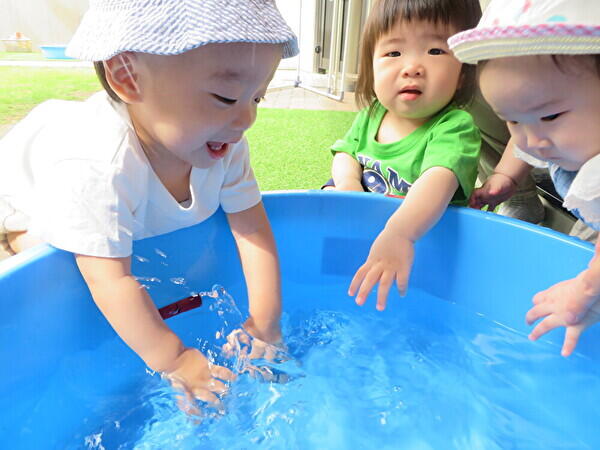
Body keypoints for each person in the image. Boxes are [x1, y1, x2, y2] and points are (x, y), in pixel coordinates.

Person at [0, 0, 298, 408]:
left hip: (103, 184)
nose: (247, 119)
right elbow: (110, 282)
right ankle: (18, 234)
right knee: (63, 258)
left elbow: (252, 228)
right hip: (22, 190)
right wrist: (174, 358)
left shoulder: (224, 142)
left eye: (257, 98)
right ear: (128, 78)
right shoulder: (97, 163)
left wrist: (265, 320)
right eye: (226, 97)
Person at [449, 0, 600, 356]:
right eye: (513, 120)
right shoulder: (544, 131)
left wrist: (585, 291)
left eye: (550, 117)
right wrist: (506, 178)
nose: (531, 139)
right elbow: (523, 148)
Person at [324, 0, 482, 311]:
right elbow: (346, 152)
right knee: (328, 196)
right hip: (364, 238)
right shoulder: (372, 115)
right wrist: (347, 186)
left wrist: (400, 234)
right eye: (394, 53)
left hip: (423, 255)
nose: (412, 67)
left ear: (463, 73)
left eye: (434, 51)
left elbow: (438, 179)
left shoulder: (455, 127)